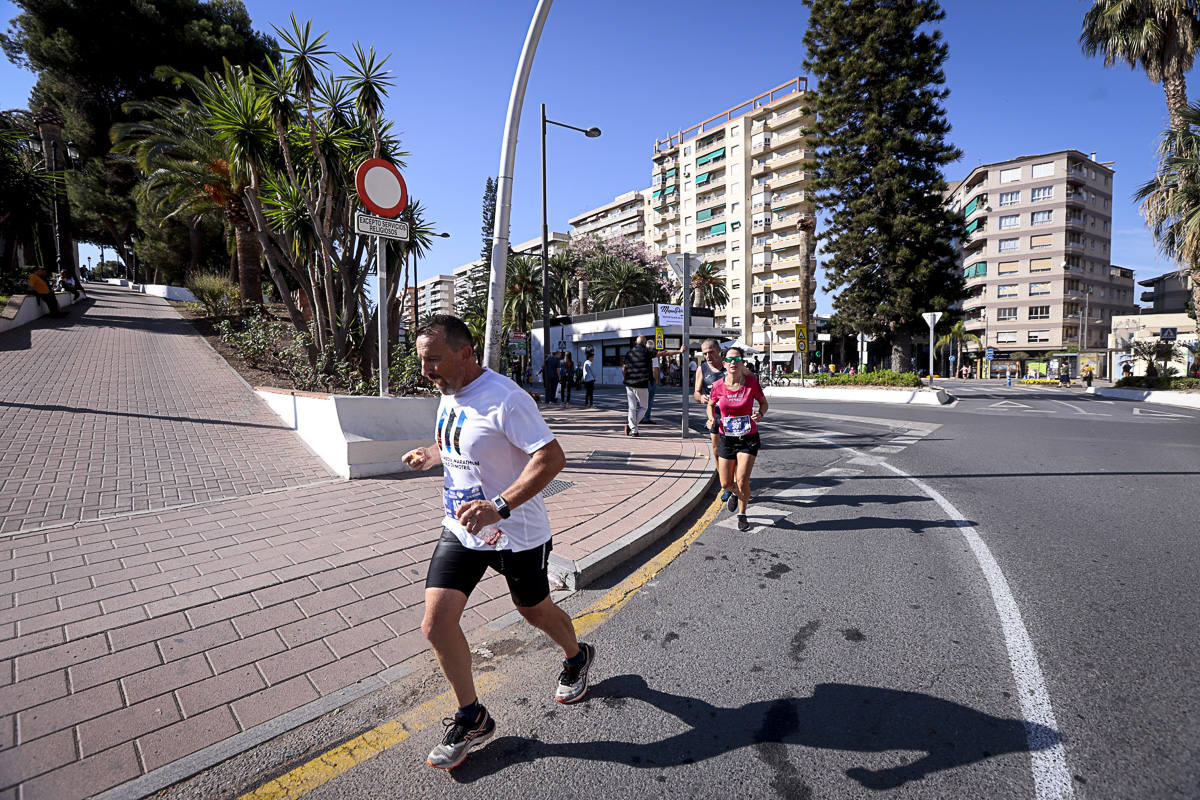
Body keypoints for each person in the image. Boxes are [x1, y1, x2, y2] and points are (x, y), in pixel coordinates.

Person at [402, 315, 595, 771]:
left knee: (534, 611)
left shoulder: (507, 398)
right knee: (436, 624)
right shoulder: (447, 391)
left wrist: (501, 505)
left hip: (516, 533)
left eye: (434, 361)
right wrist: (430, 455)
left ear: (466, 354)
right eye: (423, 361)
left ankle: (576, 655)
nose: (427, 371)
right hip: (463, 530)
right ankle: (472, 717)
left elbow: (551, 457)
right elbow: (459, 444)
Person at [708, 347, 768, 532]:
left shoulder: (751, 383)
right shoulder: (718, 386)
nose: (733, 362)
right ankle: (734, 493)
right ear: (724, 363)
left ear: (742, 363)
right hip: (726, 438)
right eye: (730, 359)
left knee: (742, 480)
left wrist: (760, 414)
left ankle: (742, 514)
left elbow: (764, 403)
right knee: (725, 483)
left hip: (748, 438)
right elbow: (711, 404)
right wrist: (711, 418)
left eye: (737, 359)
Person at [693, 338, 727, 497]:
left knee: (733, 451)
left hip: (733, 416)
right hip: (714, 416)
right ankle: (724, 483)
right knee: (716, 450)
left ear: (719, 350)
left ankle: (735, 478)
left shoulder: (730, 366)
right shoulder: (702, 369)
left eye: (710, 352)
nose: (707, 356)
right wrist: (700, 398)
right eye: (704, 353)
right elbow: (696, 393)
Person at [622, 336, 655, 437]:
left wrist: (627, 377)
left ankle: (633, 429)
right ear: (645, 343)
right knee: (644, 407)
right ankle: (632, 426)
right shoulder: (647, 351)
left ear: (636, 342)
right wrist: (679, 351)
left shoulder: (629, 353)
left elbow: (623, 369)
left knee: (632, 408)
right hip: (642, 383)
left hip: (629, 384)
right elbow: (664, 353)